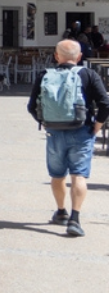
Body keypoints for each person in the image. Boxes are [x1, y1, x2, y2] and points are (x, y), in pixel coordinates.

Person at [27, 39, 109, 237]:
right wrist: (96, 128)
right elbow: (105, 104)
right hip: (82, 130)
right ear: (79, 57)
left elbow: (31, 106)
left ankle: (61, 211)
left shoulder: (45, 74)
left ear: (57, 56)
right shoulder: (89, 74)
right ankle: (75, 218)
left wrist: (46, 121)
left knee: (57, 175)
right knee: (78, 175)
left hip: (54, 132)